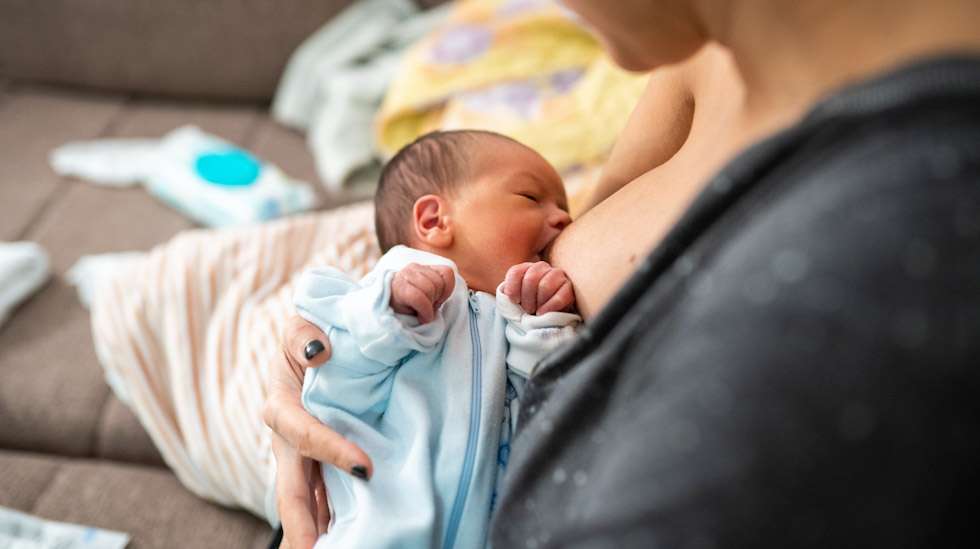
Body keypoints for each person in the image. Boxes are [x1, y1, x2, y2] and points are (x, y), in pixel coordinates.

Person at [266, 0, 980, 547]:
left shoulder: (872, 261)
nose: (557, 219)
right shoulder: (699, 51)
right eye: (534, 201)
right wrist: (338, 341)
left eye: (555, 204)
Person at [293, 129, 579, 548]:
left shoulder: (517, 320)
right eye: (532, 198)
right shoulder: (382, 302)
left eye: (565, 207)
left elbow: (547, 410)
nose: (564, 219)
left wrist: (544, 328)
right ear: (434, 221)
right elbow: (334, 393)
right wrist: (390, 314)